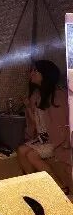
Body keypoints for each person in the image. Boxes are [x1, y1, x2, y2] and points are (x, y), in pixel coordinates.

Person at [18, 59, 71, 193]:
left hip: (56, 140)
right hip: (43, 138)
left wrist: (63, 143)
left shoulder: (58, 95)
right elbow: (35, 124)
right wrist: (28, 107)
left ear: (45, 74)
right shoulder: (36, 95)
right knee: (21, 150)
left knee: (31, 155)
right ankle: (34, 185)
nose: (31, 73)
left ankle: (60, 187)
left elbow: (63, 124)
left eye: (35, 71)